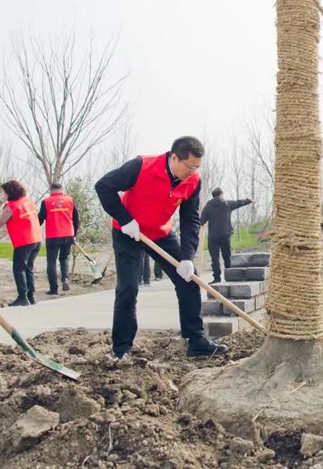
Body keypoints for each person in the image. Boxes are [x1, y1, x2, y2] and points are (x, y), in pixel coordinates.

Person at [95, 136, 226, 359]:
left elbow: (190, 219)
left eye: (197, 167)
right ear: (174, 157)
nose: (193, 172)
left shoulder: (193, 181)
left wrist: (187, 256)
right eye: (190, 166)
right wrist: (125, 220)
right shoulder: (141, 166)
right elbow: (104, 186)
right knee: (128, 289)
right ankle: (121, 350)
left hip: (160, 232)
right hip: (129, 232)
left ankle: (196, 341)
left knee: (189, 280)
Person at [0, 180, 42, 307]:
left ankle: (22, 297)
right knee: (28, 268)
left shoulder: (12, 206)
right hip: (36, 239)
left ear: (10, 192)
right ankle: (30, 296)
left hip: (23, 241)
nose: (3, 195)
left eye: (4, 192)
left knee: (19, 269)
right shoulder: (28, 201)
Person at [199, 188, 253, 284]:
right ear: (221, 194)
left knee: (214, 258)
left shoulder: (208, 206)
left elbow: (201, 221)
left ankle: (217, 278)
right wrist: (248, 201)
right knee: (227, 256)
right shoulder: (227, 204)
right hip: (225, 234)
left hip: (213, 236)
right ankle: (229, 277)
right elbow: (239, 202)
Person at [37, 182, 79, 295]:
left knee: (51, 262)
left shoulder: (46, 202)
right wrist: (74, 234)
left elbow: (40, 219)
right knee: (64, 258)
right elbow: (76, 218)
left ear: (50, 190)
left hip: (53, 235)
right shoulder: (70, 200)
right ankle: (65, 279)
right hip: (68, 234)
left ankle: (53, 288)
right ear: (62, 189)